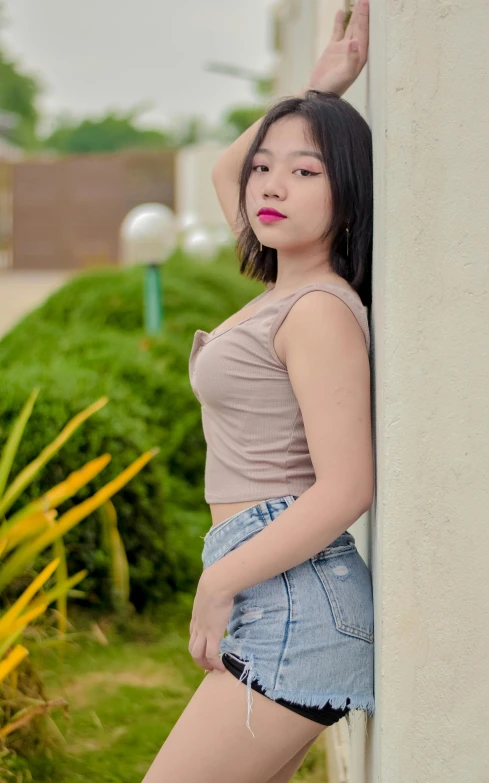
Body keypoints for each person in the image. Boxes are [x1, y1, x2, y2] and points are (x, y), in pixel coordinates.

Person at [142, 2, 372, 781]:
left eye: (306, 171)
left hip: (292, 599)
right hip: (274, 587)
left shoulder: (316, 311)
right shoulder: (283, 281)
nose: (271, 184)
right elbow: (222, 169)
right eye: (266, 167)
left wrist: (219, 581)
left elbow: (347, 486)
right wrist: (316, 94)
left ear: (347, 195)